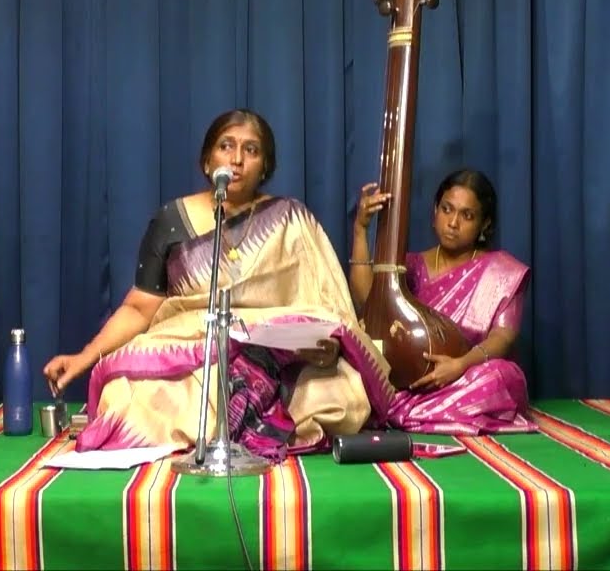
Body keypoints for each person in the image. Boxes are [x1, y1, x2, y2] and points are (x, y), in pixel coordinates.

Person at [44, 109, 393, 460]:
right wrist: (83, 358)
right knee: (122, 396)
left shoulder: (292, 219)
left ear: (265, 167)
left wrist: (323, 345)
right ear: (207, 160)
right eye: (226, 146)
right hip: (195, 353)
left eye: (251, 150)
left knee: (341, 398)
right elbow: (138, 308)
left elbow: (328, 308)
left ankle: (235, 420)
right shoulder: (171, 220)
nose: (237, 160)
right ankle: (231, 422)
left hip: (281, 360)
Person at [349, 168, 537, 436]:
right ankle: (407, 409)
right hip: (407, 379)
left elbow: (503, 337)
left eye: (467, 215)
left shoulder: (501, 272)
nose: (453, 223)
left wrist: (459, 365)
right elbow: (367, 300)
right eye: (447, 210)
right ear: (435, 211)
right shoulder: (409, 266)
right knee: (351, 364)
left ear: (484, 224)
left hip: (464, 377)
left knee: (502, 377)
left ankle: (395, 412)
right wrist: (360, 230)